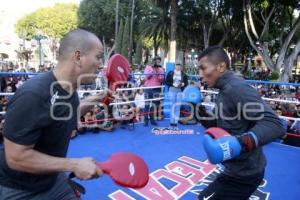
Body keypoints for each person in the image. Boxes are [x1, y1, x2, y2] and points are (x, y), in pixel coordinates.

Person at [0, 29, 105, 200]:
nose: (101, 64)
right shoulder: (33, 95)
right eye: (99, 56)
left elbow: (62, 116)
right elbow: (16, 157)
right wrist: (74, 164)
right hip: (18, 188)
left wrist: (100, 97)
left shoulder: (68, 89)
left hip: (50, 179)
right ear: (78, 57)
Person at [196, 46, 285, 200]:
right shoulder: (223, 89)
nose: (200, 75)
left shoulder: (236, 88)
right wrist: (197, 110)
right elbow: (218, 126)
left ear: (221, 66)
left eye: (203, 68)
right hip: (233, 170)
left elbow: (275, 124)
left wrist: (241, 143)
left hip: (245, 175)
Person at [165, 62, 188, 130]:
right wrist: (172, 84)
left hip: (180, 91)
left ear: (181, 66)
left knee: (177, 107)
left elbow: (186, 83)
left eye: (179, 65)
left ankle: (175, 124)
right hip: (172, 90)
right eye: (177, 65)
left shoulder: (184, 74)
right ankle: (171, 123)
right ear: (175, 66)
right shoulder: (170, 73)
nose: (178, 66)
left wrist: (183, 84)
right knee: (172, 106)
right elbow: (166, 81)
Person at [143, 56, 164, 126]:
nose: (158, 63)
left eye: (159, 62)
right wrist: (152, 70)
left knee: (154, 105)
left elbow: (161, 80)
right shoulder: (148, 67)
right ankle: (145, 120)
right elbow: (146, 77)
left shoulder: (161, 69)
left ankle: (152, 119)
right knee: (147, 105)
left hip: (157, 89)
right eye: (156, 61)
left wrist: (158, 72)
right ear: (153, 61)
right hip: (148, 89)